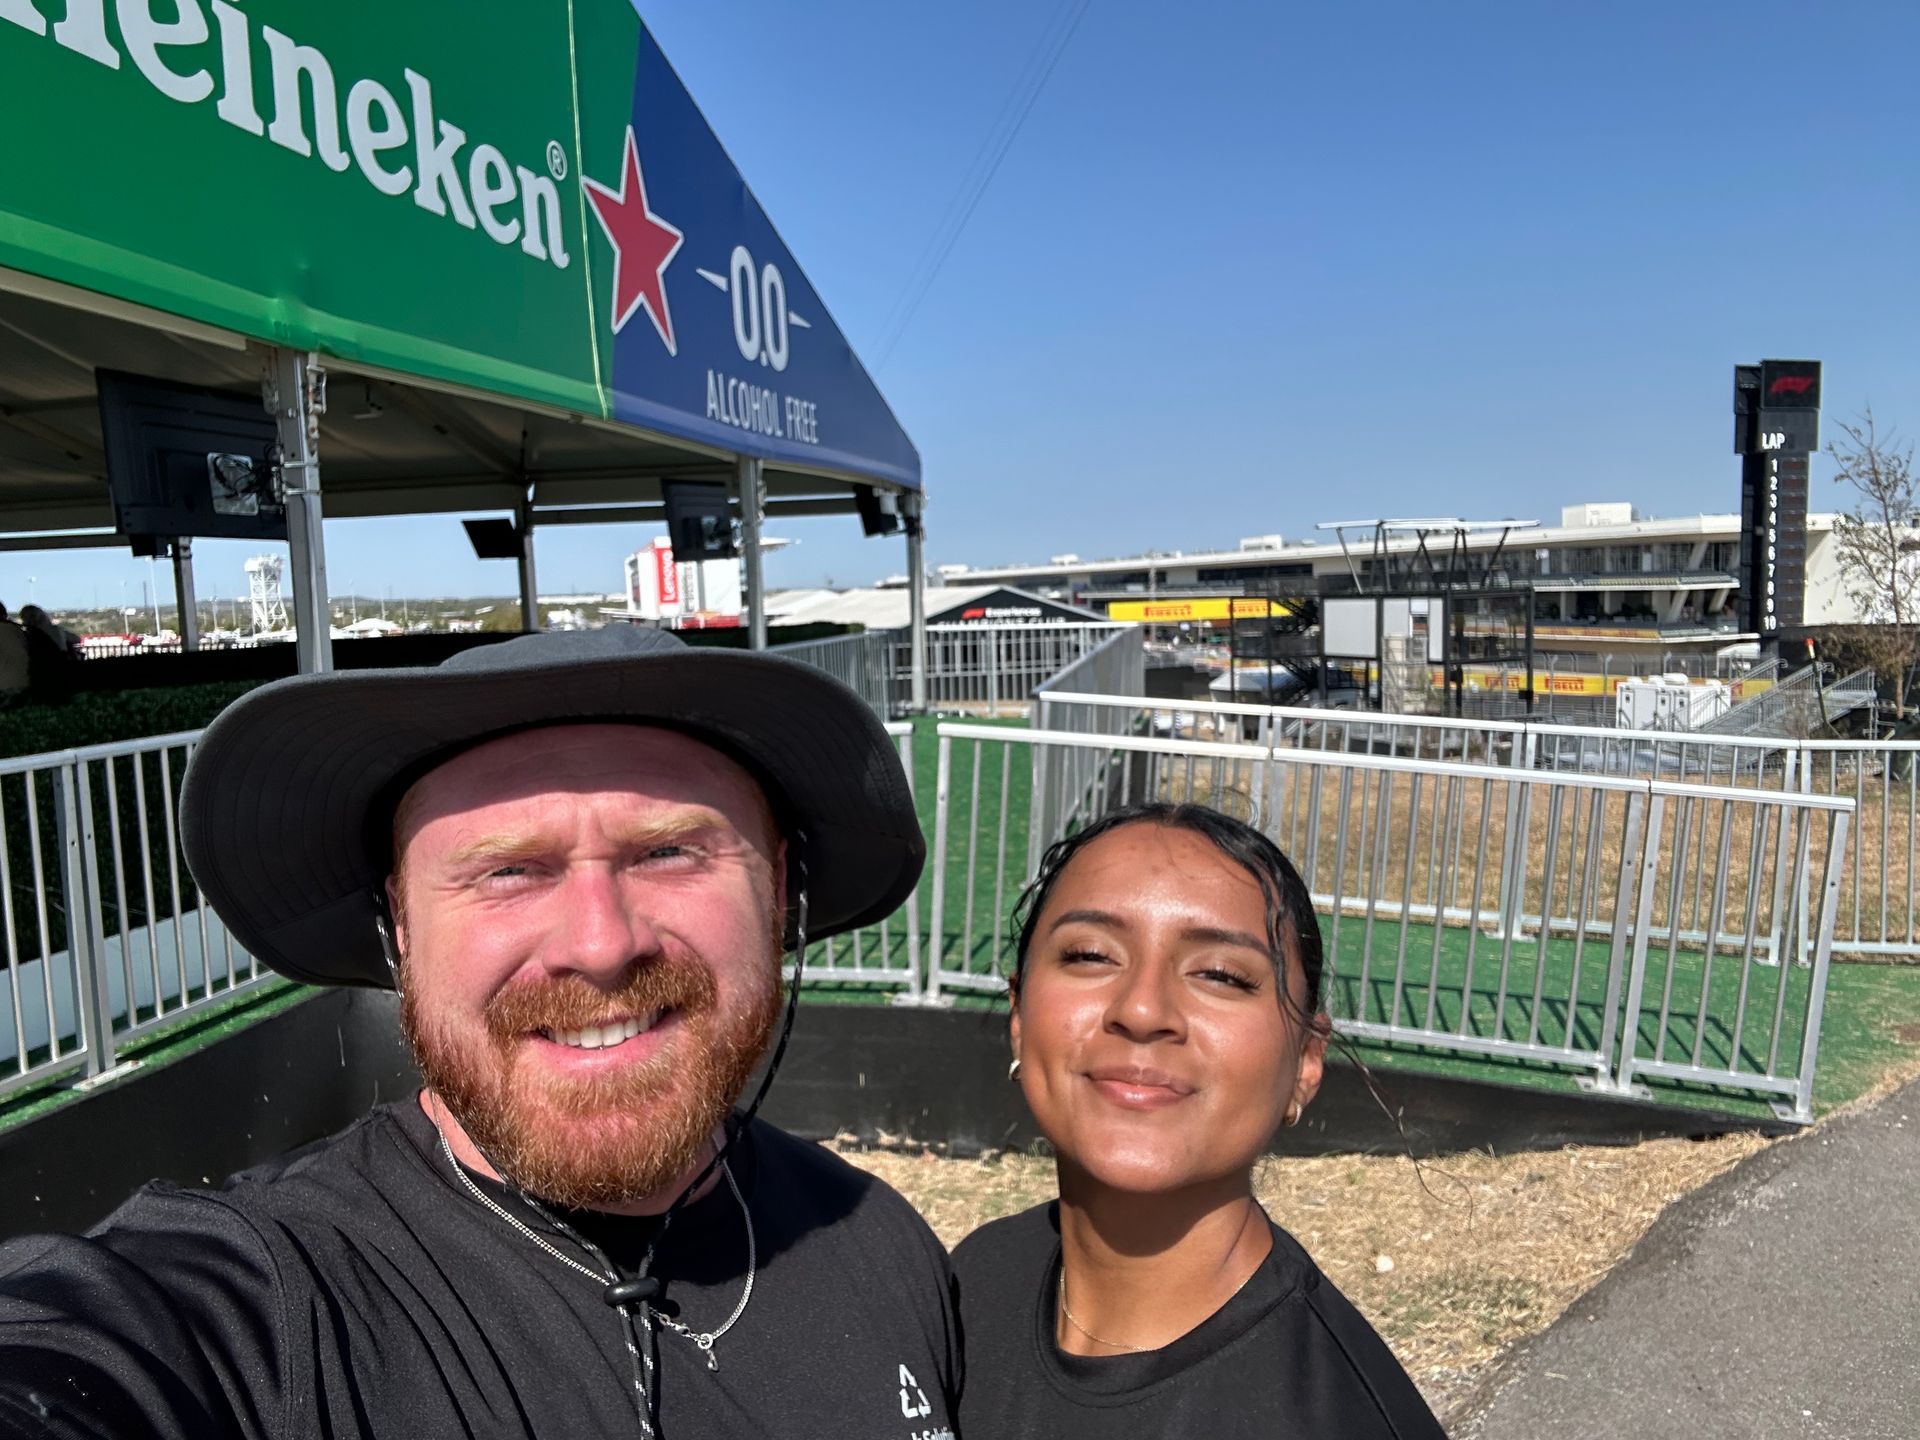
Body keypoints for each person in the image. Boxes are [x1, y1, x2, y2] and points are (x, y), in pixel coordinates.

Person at [0, 625, 959, 1439]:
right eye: (507, 870)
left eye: (669, 851)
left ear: (779, 887)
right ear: (399, 926)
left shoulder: (882, 1244)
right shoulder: (268, 1300)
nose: (600, 944)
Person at [953, 803, 1445, 1438]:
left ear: (1306, 1061)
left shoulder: (1333, 1416)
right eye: (1090, 954)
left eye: (1220, 974)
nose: (1142, 1007)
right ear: (1019, 1013)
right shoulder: (975, 1282)